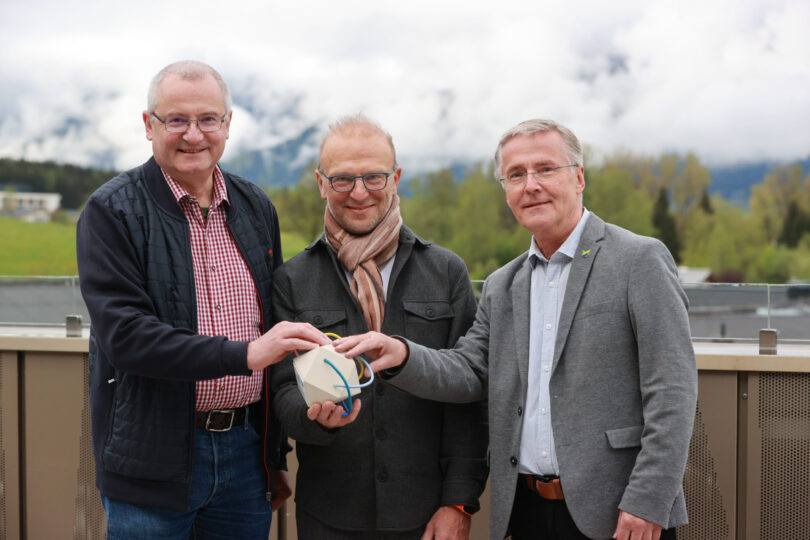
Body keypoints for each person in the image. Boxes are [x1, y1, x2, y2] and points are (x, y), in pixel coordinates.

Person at [335, 119, 698, 540]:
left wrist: (647, 501)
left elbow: (673, 390)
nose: (531, 185)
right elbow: (470, 370)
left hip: (619, 513)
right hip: (524, 514)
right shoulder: (504, 285)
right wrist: (401, 353)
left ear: (579, 177)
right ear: (506, 190)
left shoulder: (639, 260)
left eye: (545, 169)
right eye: (516, 175)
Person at [76, 60, 329, 539]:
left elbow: (271, 320)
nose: (193, 135)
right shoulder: (111, 211)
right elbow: (126, 338)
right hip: (152, 462)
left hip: (244, 455)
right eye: (176, 120)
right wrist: (246, 354)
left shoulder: (256, 206)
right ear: (149, 126)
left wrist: (272, 455)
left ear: (228, 126)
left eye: (208, 119)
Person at [270, 114, 489, 539]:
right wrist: (316, 419)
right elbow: (280, 392)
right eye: (342, 180)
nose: (359, 193)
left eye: (374, 177)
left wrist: (459, 501)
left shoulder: (446, 271)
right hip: (328, 517)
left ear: (396, 178)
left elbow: (469, 397)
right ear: (320, 183)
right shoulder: (292, 279)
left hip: (425, 516)